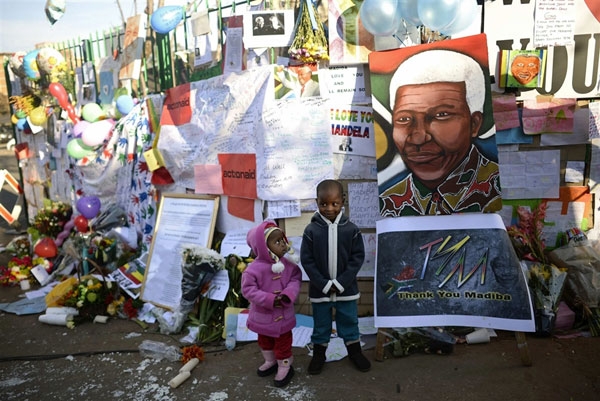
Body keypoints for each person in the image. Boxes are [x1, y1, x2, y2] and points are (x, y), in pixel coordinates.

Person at [380, 49, 502, 217]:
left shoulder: (499, 193)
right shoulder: (388, 205)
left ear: (474, 124)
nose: (418, 138)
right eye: (404, 119)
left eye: (441, 115)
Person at [300, 179, 370, 375]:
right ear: (317, 202)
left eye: (334, 203)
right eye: (323, 204)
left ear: (343, 201)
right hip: (320, 291)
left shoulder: (351, 229)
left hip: (346, 290)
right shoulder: (311, 231)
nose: (329, 208)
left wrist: (340, 283)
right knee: (321, 325)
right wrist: (323, 284)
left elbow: (357, 258)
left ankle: (355, 353)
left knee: (349, 322)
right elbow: (307, 260)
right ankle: (318, 356)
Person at [241, 220, 302, 388]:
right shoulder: (252, 270)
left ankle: (284, 365)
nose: (282, 244)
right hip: (263, 317)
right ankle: (270, 360)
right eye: (277, 242)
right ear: (263, 247)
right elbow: (248, 290)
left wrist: (288, 294)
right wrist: (269, 299)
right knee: (264, 341)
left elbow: (295, 279)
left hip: (283, 316)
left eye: (283, 240)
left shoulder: (289, 266)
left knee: (283, 343)